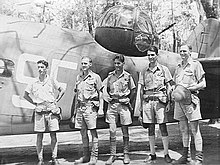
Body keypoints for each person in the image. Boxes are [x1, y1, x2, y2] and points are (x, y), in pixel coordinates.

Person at [24, 59, 65, 165]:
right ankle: (40, 159)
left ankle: (54, 158)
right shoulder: (33, 82)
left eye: (42, 67)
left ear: (47, 69)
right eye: (39, 67)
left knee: (53, 134)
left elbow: (62, 90)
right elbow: (25, 95)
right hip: (40, 110)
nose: (40, 69)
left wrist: (56, 100)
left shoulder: (51, 80)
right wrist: (35, 104)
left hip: (51, 110)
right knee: (39, 135)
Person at [172, 44, 206, 165]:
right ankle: (186, 157)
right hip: (179, 101)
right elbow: (175, 83)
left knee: (194, 129)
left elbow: (203, 84)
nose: (182, 53)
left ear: (190, 52)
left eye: (184, 51)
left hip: (191, 100)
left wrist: (191, 87)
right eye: (180, 51)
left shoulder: (196, 65)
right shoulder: (178, 67)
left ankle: (198, 159)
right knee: (183, 129)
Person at [138, 45, 173, 163]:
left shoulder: (164, 70)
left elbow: (168, 86)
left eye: (152, 55)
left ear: (157, 56)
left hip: (160, 101)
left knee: (163, 127)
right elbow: (141, 90)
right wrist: (140, 107)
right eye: (148, 55)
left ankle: (166, 154)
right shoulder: (144, 71)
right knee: (150, 128)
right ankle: (152, 154)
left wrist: (169, 102)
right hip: (148, 102)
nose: (150, 57)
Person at [105, 54, 136, 165]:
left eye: (119, 63)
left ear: (123, 64)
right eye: (115, 63)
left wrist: (129, 100)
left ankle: (126, 154)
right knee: (112, 131)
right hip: (112, 105)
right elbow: (105, 89)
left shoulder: (128, 76)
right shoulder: (110, 76)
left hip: (123, 105)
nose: (117, 65)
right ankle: (112, 155)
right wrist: (107, 97)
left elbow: (133, 90)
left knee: (125, 130)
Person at [74, 56, 102, 165]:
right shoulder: (79, 77)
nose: (83, 65)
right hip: (80, 108)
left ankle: (94, 157)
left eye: (85, 63)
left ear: (90, 64)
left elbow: (101, 93)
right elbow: (77, 94)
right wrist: (75, 111)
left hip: (90, 107)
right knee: (83, 132)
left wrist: (100, 109)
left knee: (93, 132)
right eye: (82, 63)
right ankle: (85, 156)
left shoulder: (95, 77)